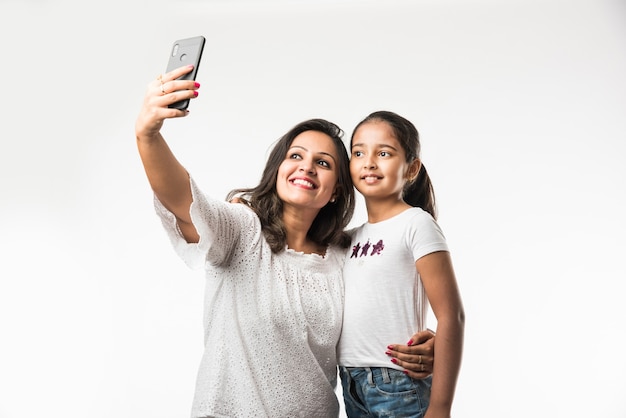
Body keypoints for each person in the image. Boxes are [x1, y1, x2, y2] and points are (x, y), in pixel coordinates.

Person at [135, 66, 436, 417]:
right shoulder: (241, 232)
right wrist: (148, 135)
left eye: (322, 163)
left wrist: (427, 344)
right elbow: (184, 202)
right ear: (278, 168)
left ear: (337, 189)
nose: (306, 167)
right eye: (296, 156)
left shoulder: (346, 254)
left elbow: (382, 311)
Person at [337, 111, 465, 417]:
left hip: (397, 384)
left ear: (411, 169)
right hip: (351, 384)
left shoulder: (416, 224)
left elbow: (452, 315)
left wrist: (441, 407)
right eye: (358, 152)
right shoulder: (346, 239)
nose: (369, 162)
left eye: (384, 153)